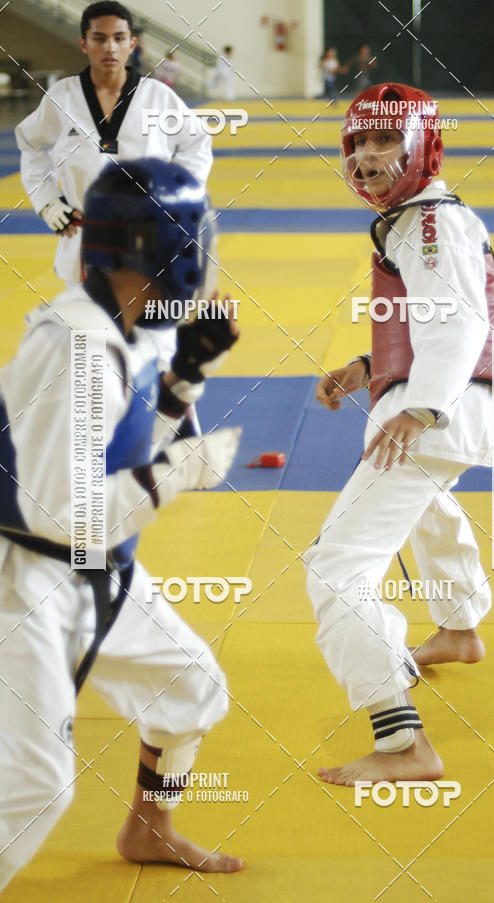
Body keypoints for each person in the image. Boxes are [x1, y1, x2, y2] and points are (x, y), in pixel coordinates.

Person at [0, 157, 243, 890]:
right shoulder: (77, 349)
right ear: (156, 247)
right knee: (39, 781)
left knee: (192, 687)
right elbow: (59, 512)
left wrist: (186, 381)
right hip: (25, 580)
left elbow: (126, 450)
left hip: (97, 568)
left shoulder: (135, 330)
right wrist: (181, 474)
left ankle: (148, 825)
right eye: (190, 235)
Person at [304, 83, 494, 786]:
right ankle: (458, 626)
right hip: (467, 400)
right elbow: (440, 315)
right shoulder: (424, 218)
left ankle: (401, 742)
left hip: (446, 408)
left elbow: (461, 324)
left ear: (423, 144)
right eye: (357, 143)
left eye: (384, 140)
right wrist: (370, 367)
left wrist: (419, 409)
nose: (365, 156)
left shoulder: (426, 221)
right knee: (426, 505)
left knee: (335, 567)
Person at [15, 2, 212, 293]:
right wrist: (47, 200)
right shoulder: (62, 97)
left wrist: (173, 198)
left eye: (119, 38)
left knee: (147, 334)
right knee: (85, 335)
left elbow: (197, 144)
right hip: (84, 238)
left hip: (146, 238)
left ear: (132, 44)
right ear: (84, 43)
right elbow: (31, 144)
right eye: (99, 38)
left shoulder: (157, 97)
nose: (110, 47)